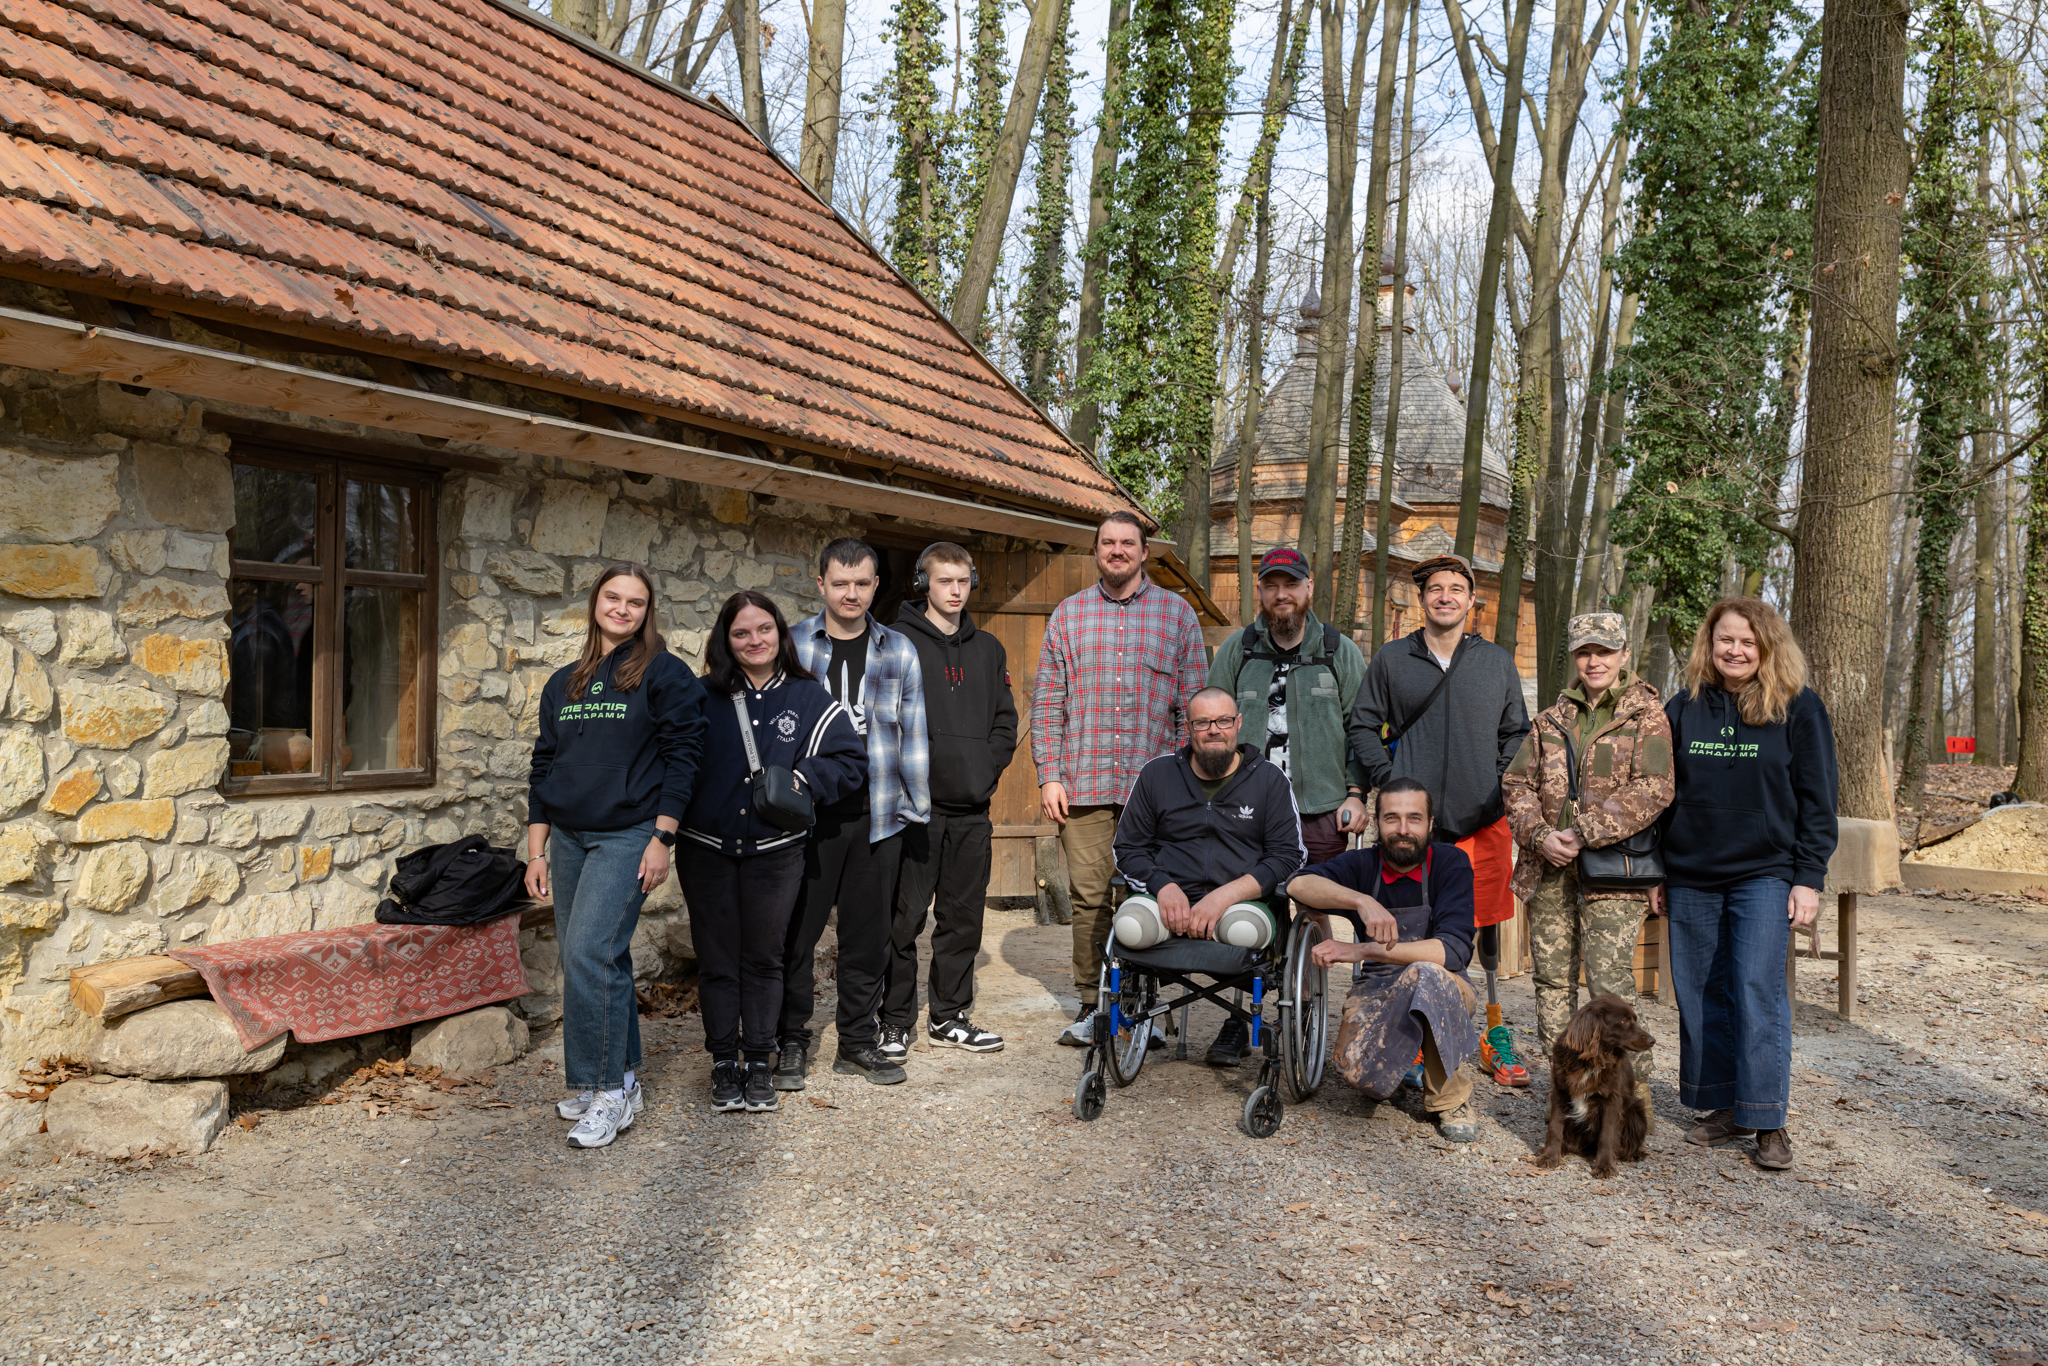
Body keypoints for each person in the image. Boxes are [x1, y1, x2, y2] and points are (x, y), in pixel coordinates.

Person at [524, 563, 706, 1148]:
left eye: (635, 601)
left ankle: (606, 1094)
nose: (622, 609)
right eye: (612, 597)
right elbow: (544, 767)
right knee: (606, 960)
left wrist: (663, 839)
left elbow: (685, 760)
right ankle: (617, 1078)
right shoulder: (566, 682)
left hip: (629, 835)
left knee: (587, 953)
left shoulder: (665, 675)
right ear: (595, 602)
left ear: (647, 612)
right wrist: (537, 850)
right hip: (571, 838)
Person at [1662, 597, 1838, 1172]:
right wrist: (1657, 870)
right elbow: (1659, 794)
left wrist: (1808, 879)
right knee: (1700, 992)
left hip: (1764, 871)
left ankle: (1766, 1117)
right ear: (1708, 647)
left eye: (1747, 642)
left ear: (1767, 647)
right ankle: (1721, 1106)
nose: (1735, 651)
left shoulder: (1799, 708)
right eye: (1724, 641)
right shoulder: (1683, 707)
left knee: (1756, 988)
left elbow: (1818, 801)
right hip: (1691, 873)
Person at [678, 591, 866, 1114]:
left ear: (780, 634)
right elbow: (672, 759)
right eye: (741, 633)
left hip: (777, 851)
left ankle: (759, 1061)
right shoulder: (700, 697)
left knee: (764, 957)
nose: (754, 641)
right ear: (726, 640)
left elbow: (850, 760)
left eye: (764, 630)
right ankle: (722, 1062)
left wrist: (804, 778)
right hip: (705, 848)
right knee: (717, 960)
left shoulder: (809, 698)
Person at [1033, 510, 1210, 1046]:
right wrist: (1049, 776)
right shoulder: (1067, 616)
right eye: (1107, 543)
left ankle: (1143, 1005)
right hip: (1083, 786)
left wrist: (1187, 786)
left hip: (1154, 793)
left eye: (1127, 543)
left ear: (1144, 551)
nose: (1117, 551)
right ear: (1095, 552)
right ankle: (1095, 1006)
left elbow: (1193, 708)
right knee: (1090, 900)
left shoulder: (1177, 616)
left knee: (1150, 899)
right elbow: (1048, 703)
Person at [1501, 612, 1673, 1113]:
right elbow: (1516, 785)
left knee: (1609, 983)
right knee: (1552, 981)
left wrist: (1583, 832)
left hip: (1613, 873)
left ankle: (1629, 1100)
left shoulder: (1646, 716)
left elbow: (1656, 787)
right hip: (1549, 868)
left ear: (1623, 654)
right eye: (1584, 652)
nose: (1593, 661)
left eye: (1603, 651)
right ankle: (1566, 1094)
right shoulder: (1551, 719)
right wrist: (1539, 836)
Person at [1203, 544, 1369, 1062]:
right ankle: (1239, 1016)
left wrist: (1356, 793)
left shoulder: (1339, 651)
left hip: (1319, 806)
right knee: (1243, 908)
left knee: (1314, 908)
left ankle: (1304, 1012)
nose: (1281, 595)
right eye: (1272, 585)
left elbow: (1361, 730)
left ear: (1308, 589)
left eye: (1290, 585)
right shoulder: (1237, 650)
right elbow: (1212, 724)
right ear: (1260, 590)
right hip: (1246, 808)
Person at [780, 538, 930, 1088]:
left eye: (862, 583)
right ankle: (791, 1042)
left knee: (867, 937)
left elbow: (912, 734)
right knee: (797, 935)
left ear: (874, 586)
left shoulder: (899, 650)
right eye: (840, 583)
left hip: (878, 813)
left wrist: (915, 808)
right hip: (808, 815)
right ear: (819, 584)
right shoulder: (793, 644)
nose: (851, 594)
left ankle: (857, 1043)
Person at [1289, 778, 1483, 1143]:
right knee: (1360, 1077)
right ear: (1377, 822)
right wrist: (1362, 901)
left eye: (1414, 818)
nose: (1403, 830)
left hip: (1448, 986)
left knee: (1425, 975)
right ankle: (1405, 1064)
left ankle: (1450, 1099)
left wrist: (1363, 950)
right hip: (1377, 989)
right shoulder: (1363, 865)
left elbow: (1453, 951)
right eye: (1392, 818)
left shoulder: (1449, 862)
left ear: (1430, 823)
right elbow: (1299, 885)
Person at [1349, 553, 1529, 937]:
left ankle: (1468, 997)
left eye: (1456, 590)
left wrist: (1496, 784)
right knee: (1403, 927)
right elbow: (1362, 724)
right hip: (1408, 825)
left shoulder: (1497, 662)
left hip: (1478, 822)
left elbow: (1517, 732)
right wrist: (1389, 777)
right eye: (1435, 590)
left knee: (1468, 931)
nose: (1445, 597)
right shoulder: (1392, 658)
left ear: (1471, 600)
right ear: (1422, 599)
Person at [884, 543, 1018, 1057]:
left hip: (971, 811)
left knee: (963, 920)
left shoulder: (988, 649)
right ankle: (894, 1019)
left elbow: (1006, 721)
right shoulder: (895, 642)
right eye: (945, 581)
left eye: (963, 581)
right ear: (924, 585)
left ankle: (949, 1016)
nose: (956, 591)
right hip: (914, 811)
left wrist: (985, 765)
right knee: (905, 919)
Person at [1109, 687, 1305, 953]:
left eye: (1223, 720)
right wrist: (1163, 886)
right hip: (1165, 900)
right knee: (1131, 926)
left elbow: (1288, 855)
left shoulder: (1270, 780)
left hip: (1239, 904)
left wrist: (1225, 896)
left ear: (1238, 723)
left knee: (1243, 933)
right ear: (1188, 727)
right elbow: (1128, 848)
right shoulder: (1156, 774)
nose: (1214, 730)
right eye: (1202, 723)